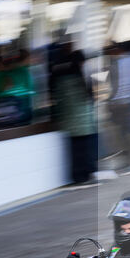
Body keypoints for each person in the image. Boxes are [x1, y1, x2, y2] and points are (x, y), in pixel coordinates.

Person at [52, 48, 98, 184]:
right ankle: (85, 174)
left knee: (75, 152)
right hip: (84, 122)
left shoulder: (60, 77)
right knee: (84, 150)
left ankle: (78, 176)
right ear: (81, 62)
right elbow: (90, 97)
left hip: (69, 122)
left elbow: (58, 100)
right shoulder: (81, 77)